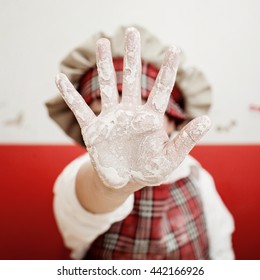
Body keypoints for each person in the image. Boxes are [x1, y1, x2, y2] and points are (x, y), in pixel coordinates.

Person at [46, 25, 235, 260]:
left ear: (173, 122)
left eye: (145, 116)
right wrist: (109, 187)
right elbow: (84, 208)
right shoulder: (82, 175)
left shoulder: (197, 176)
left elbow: (220, 246)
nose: (126, 126)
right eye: (103, 117)